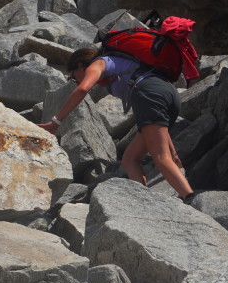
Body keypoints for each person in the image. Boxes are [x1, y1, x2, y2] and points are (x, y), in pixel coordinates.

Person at [38, 45, 197, 203]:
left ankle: (191, 198)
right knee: (130, 159)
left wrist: (56, 121)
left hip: (149, 94)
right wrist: (172, 149)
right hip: (169, 93)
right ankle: (143, 201)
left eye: (73, 77)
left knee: (161, 158)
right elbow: (156, 119)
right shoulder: (119, 64)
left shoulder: (98, 64)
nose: (75, 81)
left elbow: (82, 89)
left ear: (80, 65)